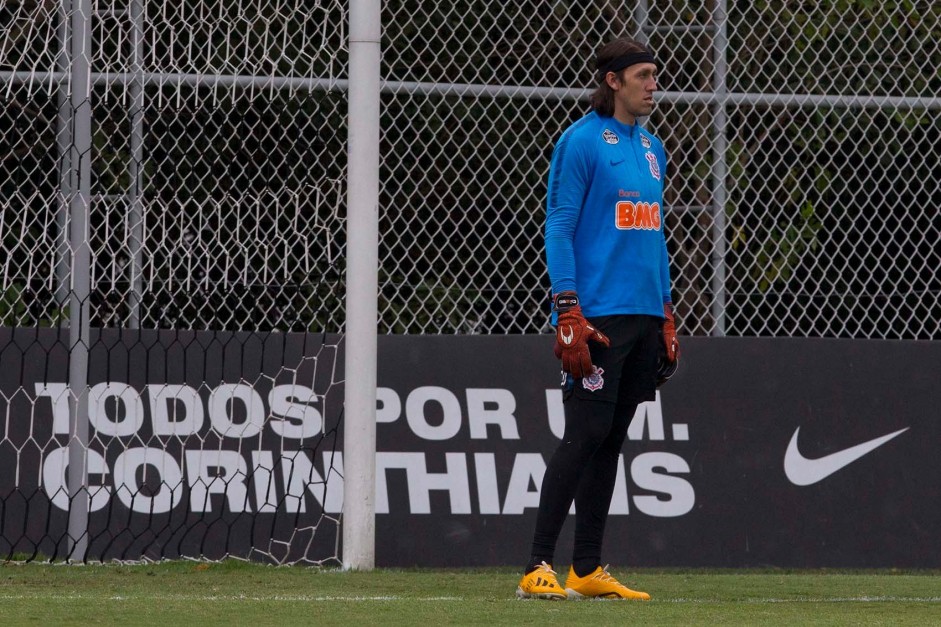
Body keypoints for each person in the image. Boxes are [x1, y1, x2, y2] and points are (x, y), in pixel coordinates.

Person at [516, 37, 680, 601]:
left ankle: (587, 568)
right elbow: (558, 227)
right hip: (598, 316)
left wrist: (665, 309)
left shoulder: (654, 148)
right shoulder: (581, 141)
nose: (653, 85)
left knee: (610, 438)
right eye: (643, 75)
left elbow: (654, 235)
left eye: (655, 75)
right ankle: (538, 565)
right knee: (584, 432)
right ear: (613, 80)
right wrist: (567, 305)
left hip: (641, 313)